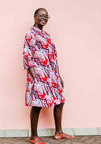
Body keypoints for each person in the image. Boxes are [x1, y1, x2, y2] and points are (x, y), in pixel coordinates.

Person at [23, 8, 74, 144]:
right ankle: (34, 136)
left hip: (52, 75)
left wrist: (58, 76)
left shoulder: (46, 35)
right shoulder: (30, 34)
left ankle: (58, 132)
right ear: (35, 17)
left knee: (60, 100)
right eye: (41, 15)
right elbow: (27, 57)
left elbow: (52, 58)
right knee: (37, 104)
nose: (44, 18)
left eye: (46, 16)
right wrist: (35, 79)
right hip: (38, 75)